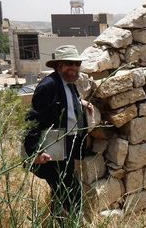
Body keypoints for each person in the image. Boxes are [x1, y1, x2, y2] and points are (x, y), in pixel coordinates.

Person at [24, 45, 93, 218]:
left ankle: (57, 221)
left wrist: (81, 103)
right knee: (72, 193)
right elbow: (33, 121)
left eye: (77, 64)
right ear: (58, 66)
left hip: (67, 145)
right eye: (69, 64)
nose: (74, 68)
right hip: (52, 148)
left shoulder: (69, 84)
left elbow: (67, 102)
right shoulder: (48, 86)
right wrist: (35, 152)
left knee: (60, 191)